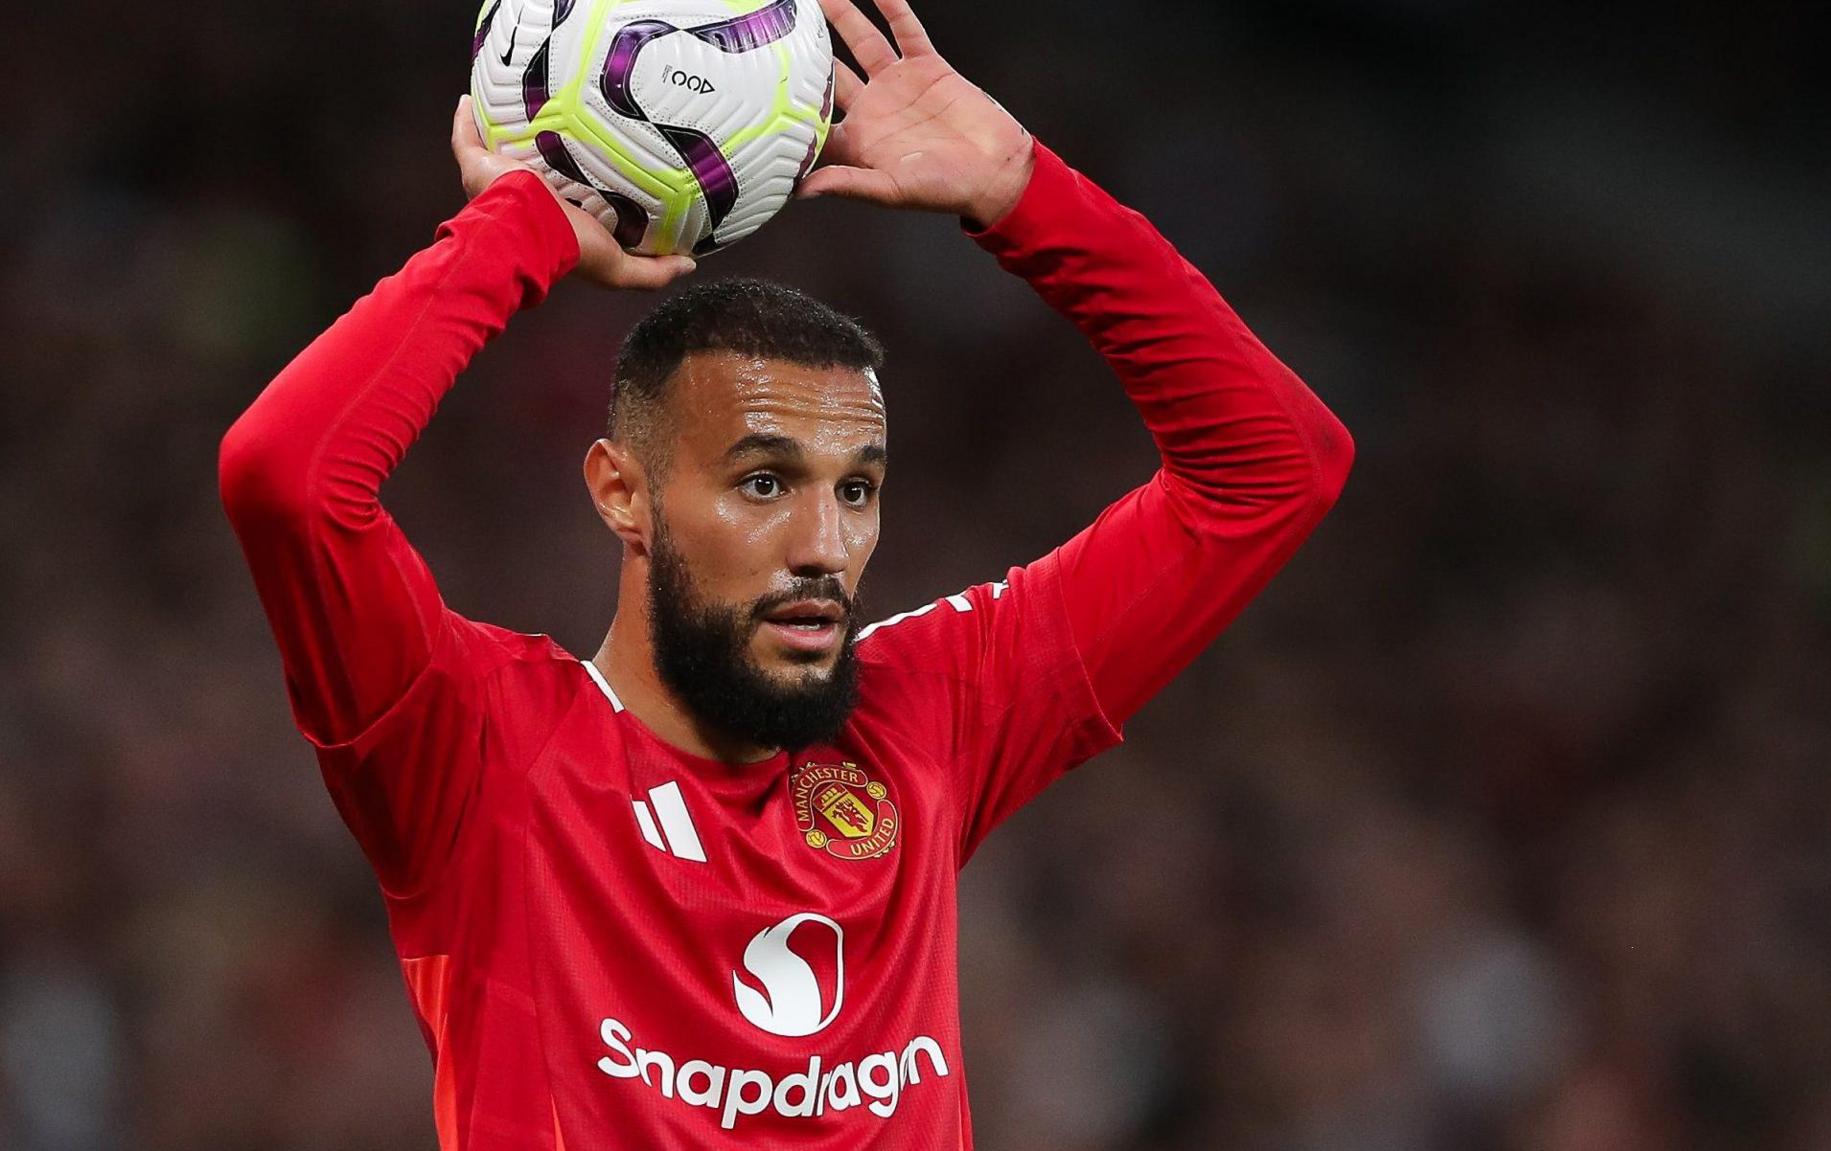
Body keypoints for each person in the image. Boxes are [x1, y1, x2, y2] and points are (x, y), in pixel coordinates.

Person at [218, 0, 1352, 1143]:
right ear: (623, 492)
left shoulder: (923, 719)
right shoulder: (473, 752)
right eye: (763, 482)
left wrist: (1021, 193)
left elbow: (1272, 468)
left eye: (854, 487)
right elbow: (287, 476)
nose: (823, 541)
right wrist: (522, 229)